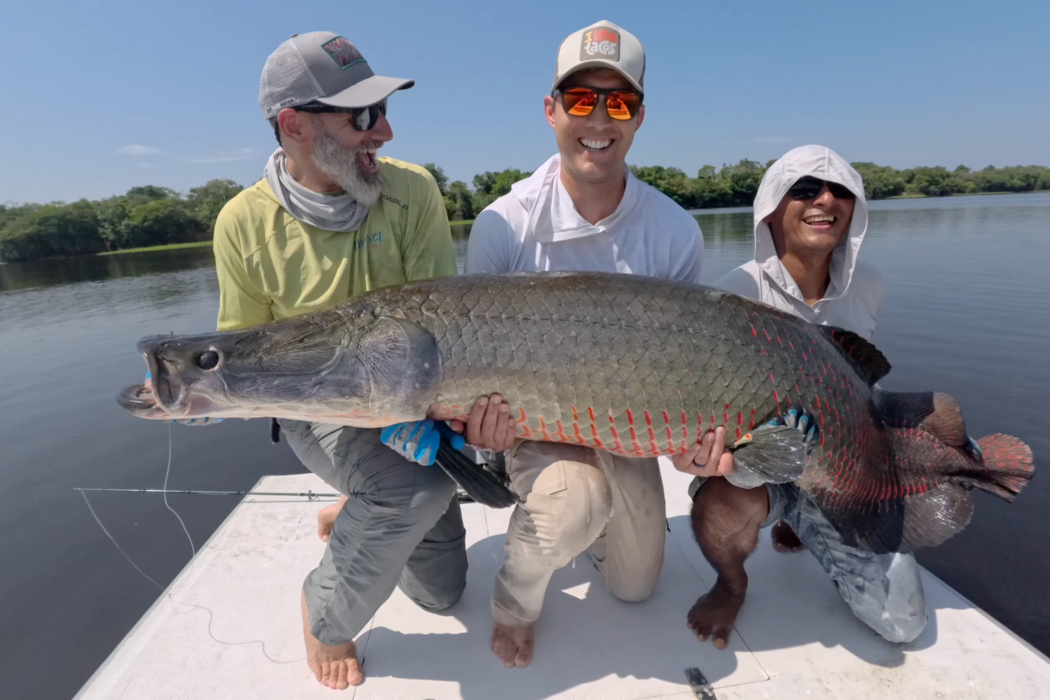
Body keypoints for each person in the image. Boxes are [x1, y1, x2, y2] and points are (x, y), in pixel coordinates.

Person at [462, 20, 734, 669]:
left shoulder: (673, 231)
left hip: (625, 423)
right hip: (537, 422)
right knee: (570, 507)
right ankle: (516, 601)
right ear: (551, 109)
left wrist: (699, 442)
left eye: (620, 103)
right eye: (582, 99)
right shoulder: (503, 225)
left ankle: (584, 519)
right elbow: (471, 367)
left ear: (639, 117)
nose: (600, 120)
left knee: (637, 590)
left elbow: (687, 368)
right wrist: (484, 433)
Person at [212, 31, 467, 690]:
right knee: (418, 488)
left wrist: (419, 412)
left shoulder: (415, 193)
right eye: (361, 116)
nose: (384, 130)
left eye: (380, 110)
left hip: (417, 398)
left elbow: (445, 329)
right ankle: (323, 616)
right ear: (293, 124)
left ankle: (358, 507)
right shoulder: (242, 223)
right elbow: (250, 368)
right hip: (320, 411)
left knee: (445, 596)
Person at [674, 144, 927, 651]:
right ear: (772, 207)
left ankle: (802, 519)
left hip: (838, 463)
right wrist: (699, 457)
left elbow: (864, 385)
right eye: (805, 189)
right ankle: (731, 582)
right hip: (757, 462)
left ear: (855, 209)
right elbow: (700, 418)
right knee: (720, 499)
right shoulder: (731, 293)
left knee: (903, 623)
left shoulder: (870, 284)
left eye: (841, 191)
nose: (825, 201)